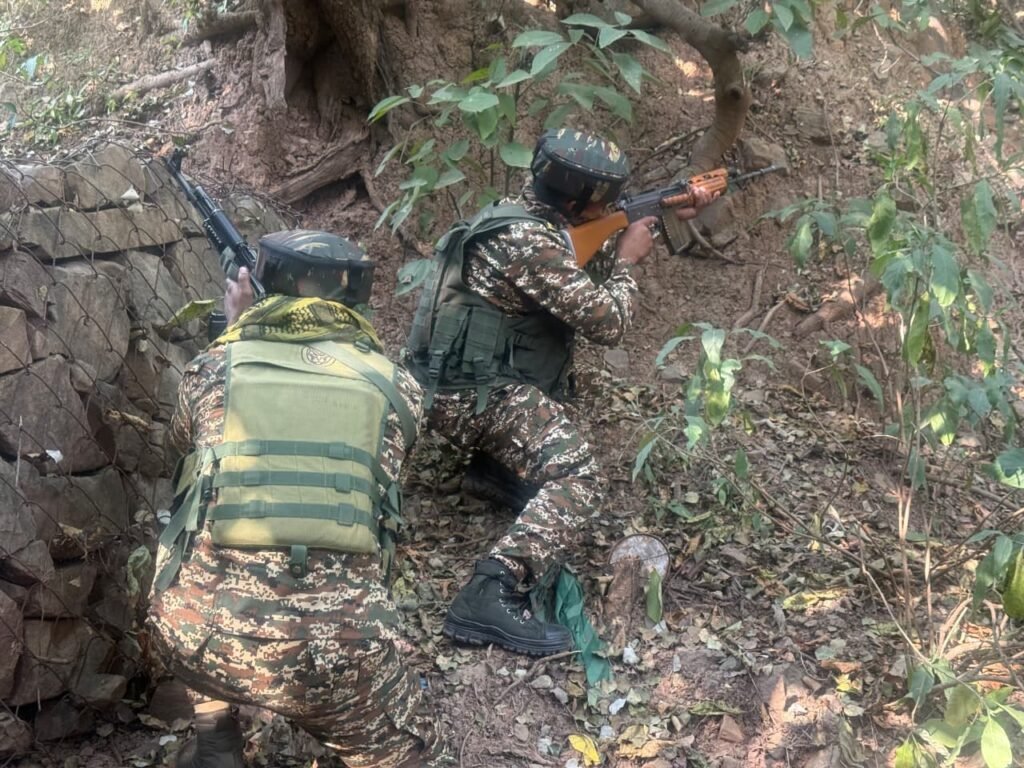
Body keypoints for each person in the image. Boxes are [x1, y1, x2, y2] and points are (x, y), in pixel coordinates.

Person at [405, 128, 718, 656]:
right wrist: (629, 259)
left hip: (454, 382)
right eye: (605, 200)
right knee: (581, 479)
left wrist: (659, 215)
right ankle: (490, 590)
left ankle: (493, 470)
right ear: (576, 201)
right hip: (475, 397)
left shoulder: (517, 216)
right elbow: (608, 322)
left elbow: (572, 261)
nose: (612, 206)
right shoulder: (531, 244)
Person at [149, 230, 451, 768]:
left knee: (192, 535)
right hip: (335, 659)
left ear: (258, 286)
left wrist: (235, 329)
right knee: (423, 755)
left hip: (201, 639)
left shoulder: (210, 370)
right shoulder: (397, 388)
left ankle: (216, 741)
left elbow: (180, 449)